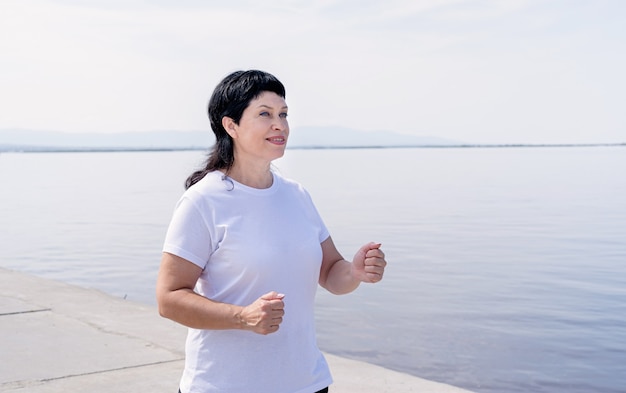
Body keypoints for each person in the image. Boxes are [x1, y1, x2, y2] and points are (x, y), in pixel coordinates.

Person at [156, 69, 388, 393]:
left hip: (306, 382)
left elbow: (332, 274)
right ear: (230, 125)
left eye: (283, 114)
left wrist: (355, 271)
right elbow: (169, 299)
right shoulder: (203, 201)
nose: (279, 124)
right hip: (225, 385)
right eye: (264, 114)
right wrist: (243, 316)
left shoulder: (297, 195)